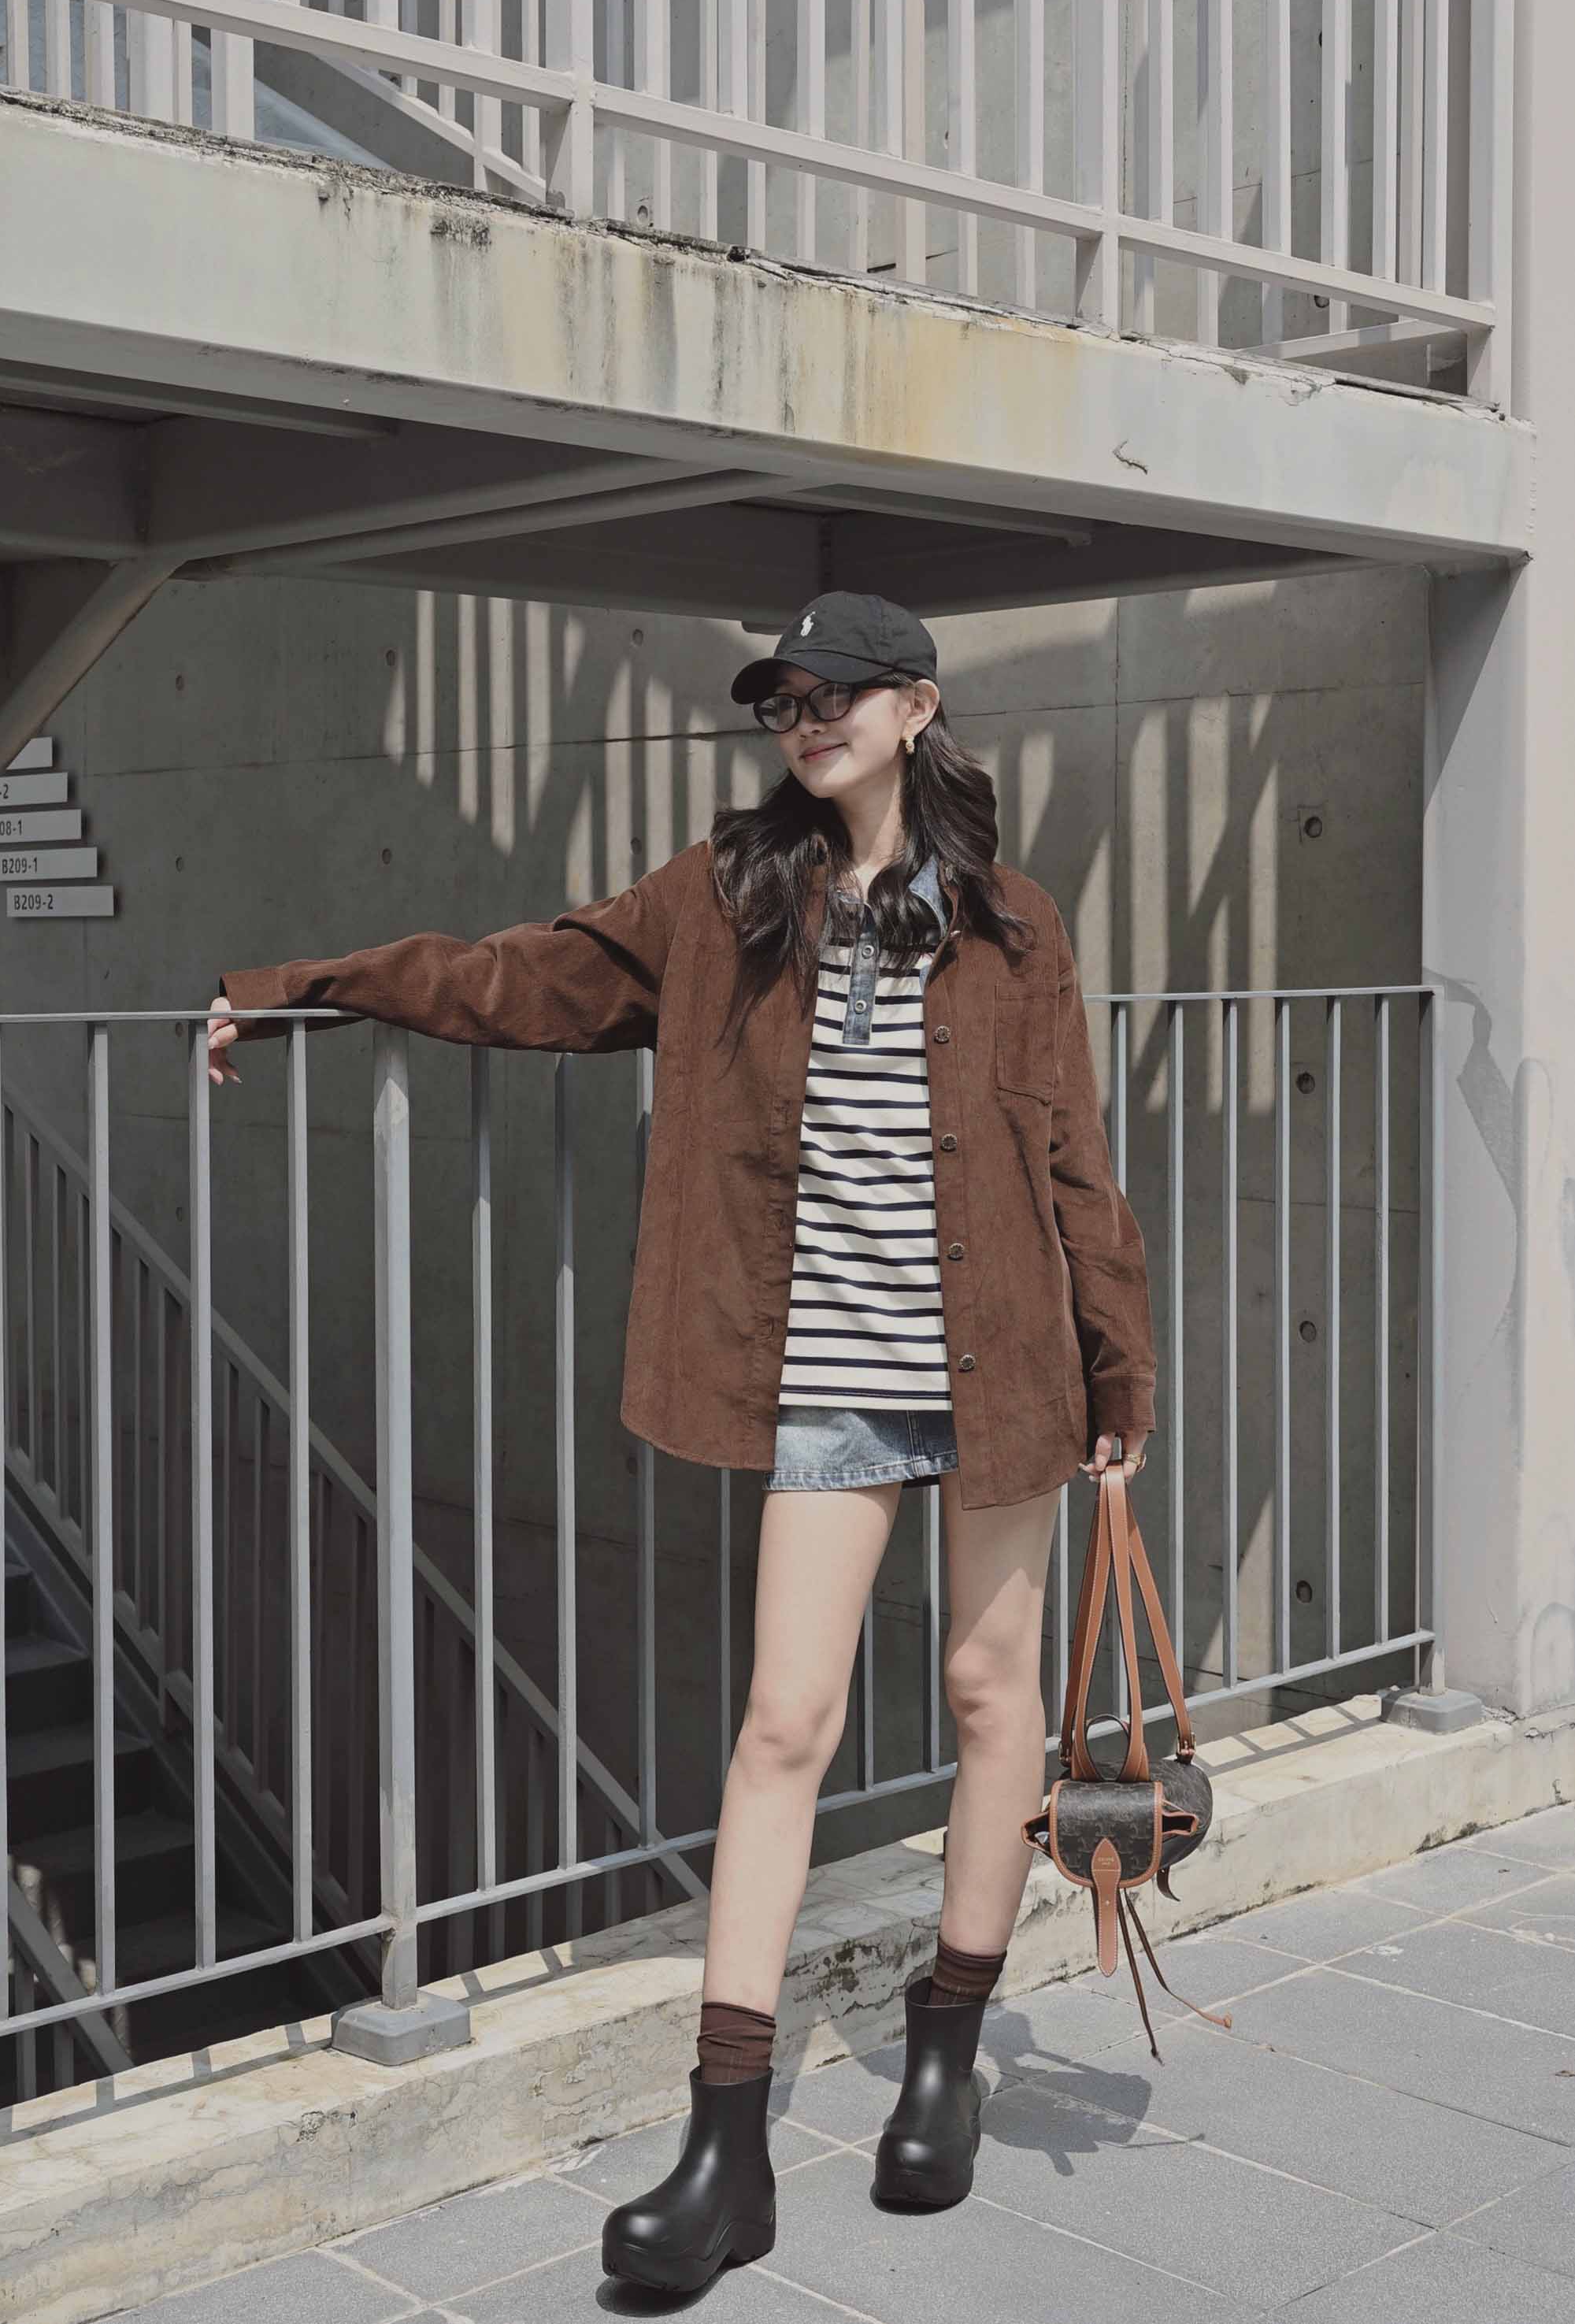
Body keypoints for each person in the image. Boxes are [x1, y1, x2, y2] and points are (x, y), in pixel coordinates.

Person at [207, 591, 1155, 2296]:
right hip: (829, 1374)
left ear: (915, 707)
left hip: (1001, 1361)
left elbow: (1074, 1157)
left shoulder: (1014, 925)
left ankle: (946, 2049)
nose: (807, 717)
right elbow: (527, 973)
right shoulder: (727, 898)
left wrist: (1119, 1376)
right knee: (783, 1721)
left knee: (986, 1693)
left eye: (838, 692)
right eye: (785, 697)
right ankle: (724, 2152)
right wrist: (304, 988)